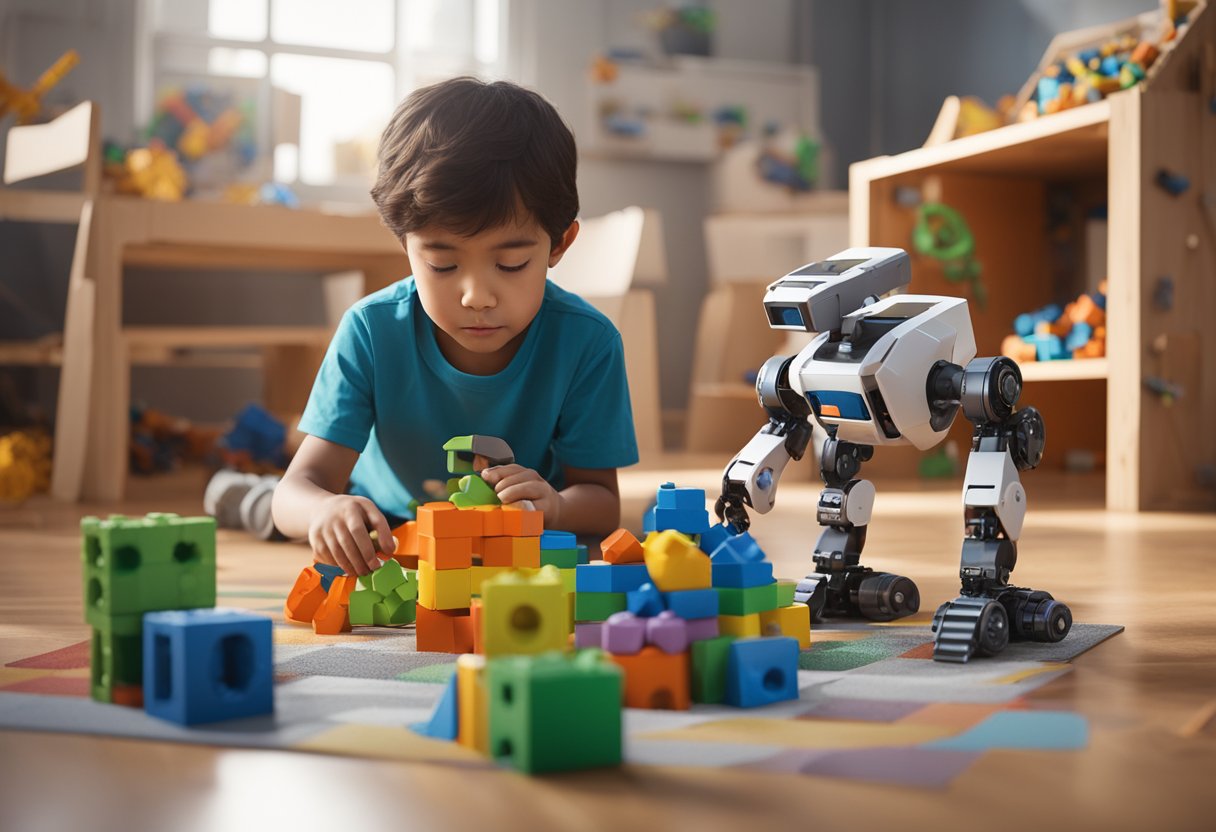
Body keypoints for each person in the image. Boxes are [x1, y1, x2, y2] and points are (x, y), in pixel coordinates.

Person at [271, 77, 638, 576]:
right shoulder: (372, 330)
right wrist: (321, 510)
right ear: (406, 246)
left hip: (514, 535)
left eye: (510, 265)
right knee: (279, 513)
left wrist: (555, 506)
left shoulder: (587, 342)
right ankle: (239, 494)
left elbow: (600, 500)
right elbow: (296, 489)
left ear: (559, 244)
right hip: (390, 524)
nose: (476, 297)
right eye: (442, 265)